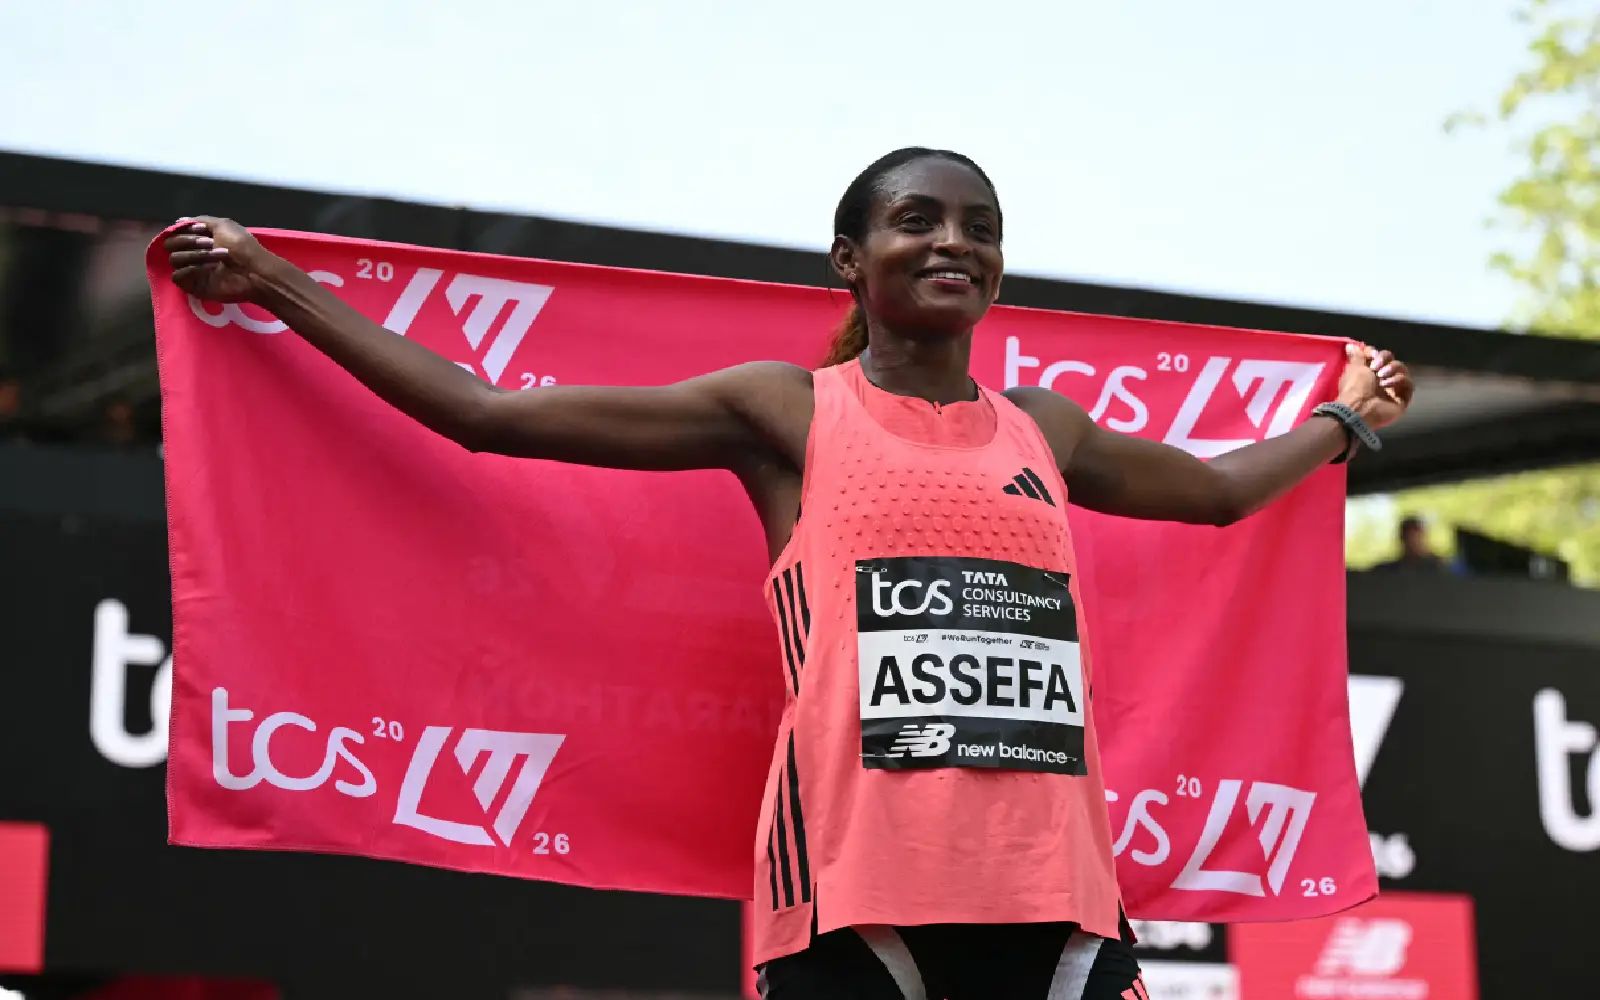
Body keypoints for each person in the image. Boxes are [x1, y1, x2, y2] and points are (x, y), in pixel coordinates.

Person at [164, 146, 1413, 1000]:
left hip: (1061, 907)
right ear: (846, 261)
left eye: (978, 228)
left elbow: (1214, 494)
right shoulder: (786, 414)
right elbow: (488, 416)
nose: (952, 242)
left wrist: (1343, 423)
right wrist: (274, 281)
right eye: (916, 220)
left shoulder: (1049, 427)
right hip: (854, 907)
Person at [1373, 515, 1447, 573]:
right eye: (1411, 538)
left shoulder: (1438, 565)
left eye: (1418, 538)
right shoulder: (1391, 570)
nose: (1415, 543)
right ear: (1403, 540)